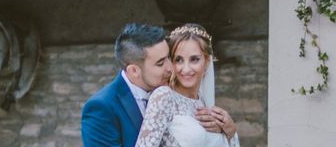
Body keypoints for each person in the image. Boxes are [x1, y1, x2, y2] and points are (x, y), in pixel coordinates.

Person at [81, 23, 229, 147]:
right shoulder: (101, 107)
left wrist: (227, 130)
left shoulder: (185, 97)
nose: (171, 68)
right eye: (160, 63)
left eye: (169, 58)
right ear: (134, 71)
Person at [134, 24, 239, 147]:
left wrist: (231, 131)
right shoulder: (164, 97)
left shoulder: (204, 102)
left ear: (207, 62)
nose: (186, 69)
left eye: (194, 59)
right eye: (178, 60)